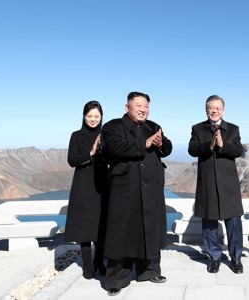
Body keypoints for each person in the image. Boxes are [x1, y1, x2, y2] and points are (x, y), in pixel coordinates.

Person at [101, 91, 172, 296]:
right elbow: (115, 148)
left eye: (146, 106)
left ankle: (150, 271)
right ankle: (115, 278)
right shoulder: (113, 127)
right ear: (127, 107)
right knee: (121, 233)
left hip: (151, 189)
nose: (143, 109)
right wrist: (145, 144)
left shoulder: (153, 126)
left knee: (150, 230)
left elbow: (167, 148)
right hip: (126, 190)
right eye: (138, 105)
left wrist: (160, 144)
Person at [188, 95, 245, 274]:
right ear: (206, 109)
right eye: (211, 108)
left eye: (217, 108)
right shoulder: (197, 128)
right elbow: (192, 150)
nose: (214, 110)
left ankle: (236, 258)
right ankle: (214, 257)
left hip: (228, 183)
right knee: (209, 222)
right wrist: (209, 145)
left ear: (223, 110)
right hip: (207, 183)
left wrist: (222, 145)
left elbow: (238, 151)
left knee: (234, 222)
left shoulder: (233, 129)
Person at [64, 100, 108, 279]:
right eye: (90, 116)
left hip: (103, 184)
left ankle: (99, 262)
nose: (93, 119)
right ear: (84, 116)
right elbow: (72, 160)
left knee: (101, 226)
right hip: (83, 184)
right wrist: (90, 153)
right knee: (84, 227)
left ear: (101, 117)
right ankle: (87, 265)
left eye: (96, 116)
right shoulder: (76, 135)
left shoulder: (106, 134)